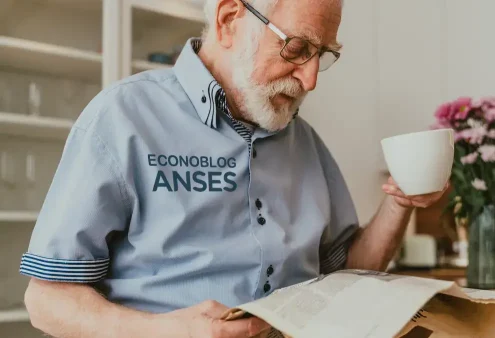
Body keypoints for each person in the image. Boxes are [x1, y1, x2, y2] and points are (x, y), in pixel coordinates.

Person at [20, 0, 446, 337]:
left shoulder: (306, 142)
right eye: (297, 48)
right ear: (228, 20)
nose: (311, 78)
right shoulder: (123, 117)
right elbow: (46, 301)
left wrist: (400, 202)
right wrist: (165, 332)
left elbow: (348, 270)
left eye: (323, 55)